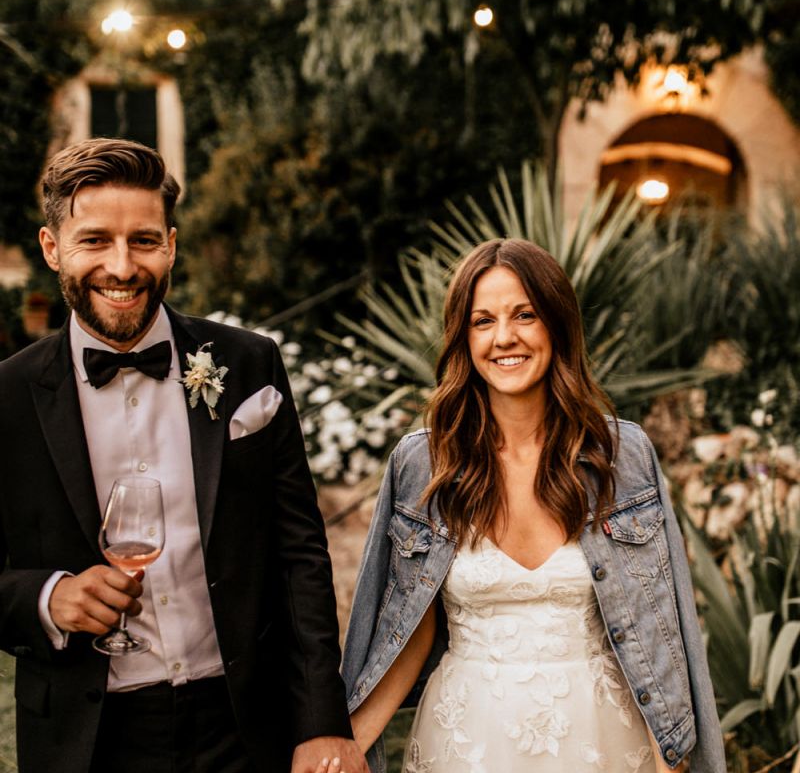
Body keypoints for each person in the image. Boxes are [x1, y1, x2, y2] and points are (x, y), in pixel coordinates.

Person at [0, 138, 367, 773]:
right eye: (94, 241)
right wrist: (46, 598)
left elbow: (299, 552)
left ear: (170, 244)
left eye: (143, 240)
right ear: (52, 248)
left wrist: (320, 722)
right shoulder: (7, 397)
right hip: (90, 742)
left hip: (244, 726)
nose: (122, 267)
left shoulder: (250, 363)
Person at [340, 239, 726, 772]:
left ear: (557, 324)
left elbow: (660, 613)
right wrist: (346, 743)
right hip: (466, 741)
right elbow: (411, 625)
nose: (505, 338)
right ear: (463, 336)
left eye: (525, 315)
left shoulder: (621, 455)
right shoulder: (425, 464)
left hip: (606, 741)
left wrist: (671, 757)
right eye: (483, 321)